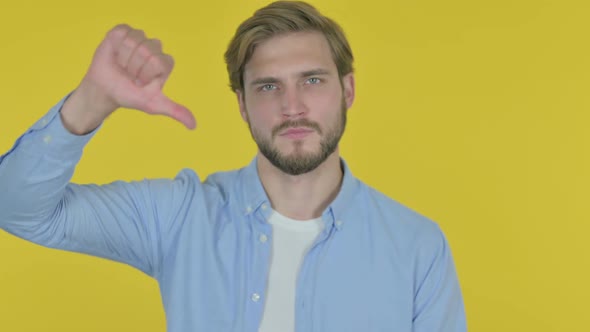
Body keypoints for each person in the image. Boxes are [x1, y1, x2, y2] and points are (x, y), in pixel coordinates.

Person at [0, 1, 466, 331]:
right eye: (267, 87)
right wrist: (90, 103)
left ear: (347, 91)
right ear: (242, 104)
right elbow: (19, 209)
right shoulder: (181, 216)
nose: (293, 106)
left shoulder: (417, 247)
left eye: (312, 80)